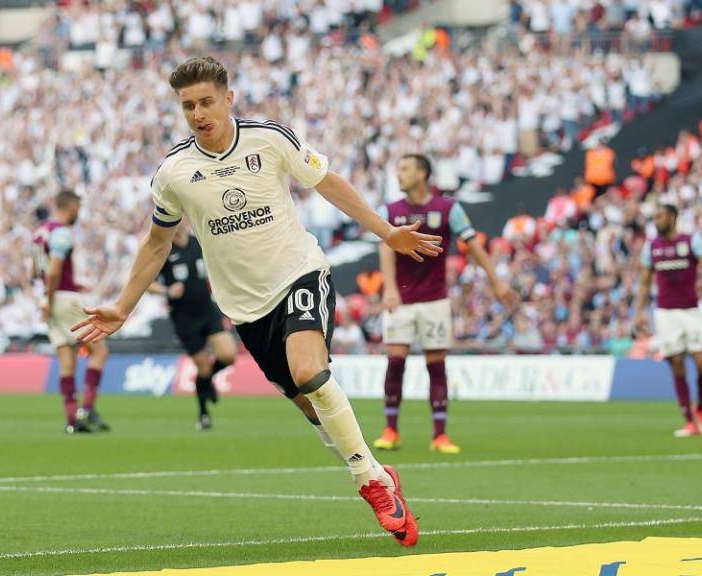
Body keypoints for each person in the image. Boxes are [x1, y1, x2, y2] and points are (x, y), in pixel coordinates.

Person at [72, 56, 443, 546]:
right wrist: (124, 305)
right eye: (188, 106)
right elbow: (157, 242)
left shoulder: (270, 139)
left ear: (228, 99)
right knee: (312, 408)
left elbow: (328, 183)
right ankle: (378, 470)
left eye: (206, 101)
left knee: (310, 371)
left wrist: (386, 231)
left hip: (300, 274)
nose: (199, 112)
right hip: (246, 308)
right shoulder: (174, 173)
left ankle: (370, 483)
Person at [373, 155, 518, 454]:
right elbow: (385, 248)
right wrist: (389, 287)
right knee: (396, 362)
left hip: (435, 298)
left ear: (422, 173)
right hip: (400, 298)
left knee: (436, 365)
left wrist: (496, 280)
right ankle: (391, 430)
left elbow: (472, 243)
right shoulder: (390, 211)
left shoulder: (448, 208)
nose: (399, 173)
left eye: (404, 168)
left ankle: (440, 435)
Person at [633, 204, 702, 437]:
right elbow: (645, 283)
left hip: (691, 311)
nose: (656, 220)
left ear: (672, 217)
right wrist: (639, 313)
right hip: (665, 313)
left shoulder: (692, 241)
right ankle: (689, 421)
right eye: (654, 216)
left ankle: (700, 406)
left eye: (659, 216)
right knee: (677, 365)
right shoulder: (651, 247)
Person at [33, 190, 111, 434]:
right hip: (60, 298)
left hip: (49, 297)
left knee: (67, 359)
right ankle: (86, 409)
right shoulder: (62, 232)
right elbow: (55, 270)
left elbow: (36, 272)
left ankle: (71, 419)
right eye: (78, 207)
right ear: (70, 206)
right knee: (99, 351)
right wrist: (52, 296)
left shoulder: (39, 232)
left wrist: (45, 297)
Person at [148, 222, 236, 430]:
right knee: (203, 367)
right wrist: (168, 291)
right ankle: (204, 413)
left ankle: (207, 382)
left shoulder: (198, 243)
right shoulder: (164, 250)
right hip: (184, 317)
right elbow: (148, 283)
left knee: (228, 354)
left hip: (207, 310)